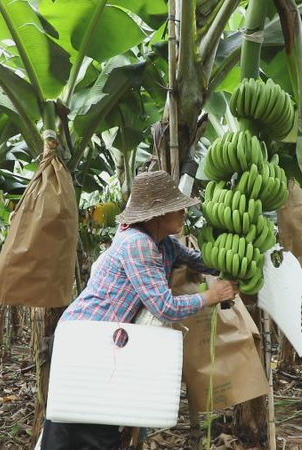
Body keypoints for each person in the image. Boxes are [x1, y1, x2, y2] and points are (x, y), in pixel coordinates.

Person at [40, 170, 238, 450]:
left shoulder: (163, 244)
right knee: (78, 432)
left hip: (103, 341)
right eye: (176, 207)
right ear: (157, 215)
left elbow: (201, 261)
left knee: (94, 427)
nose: (183, 212)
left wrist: (237, 259)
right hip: (85, 341)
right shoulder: (137, 244)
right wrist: (211, 295)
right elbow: (164, 307)